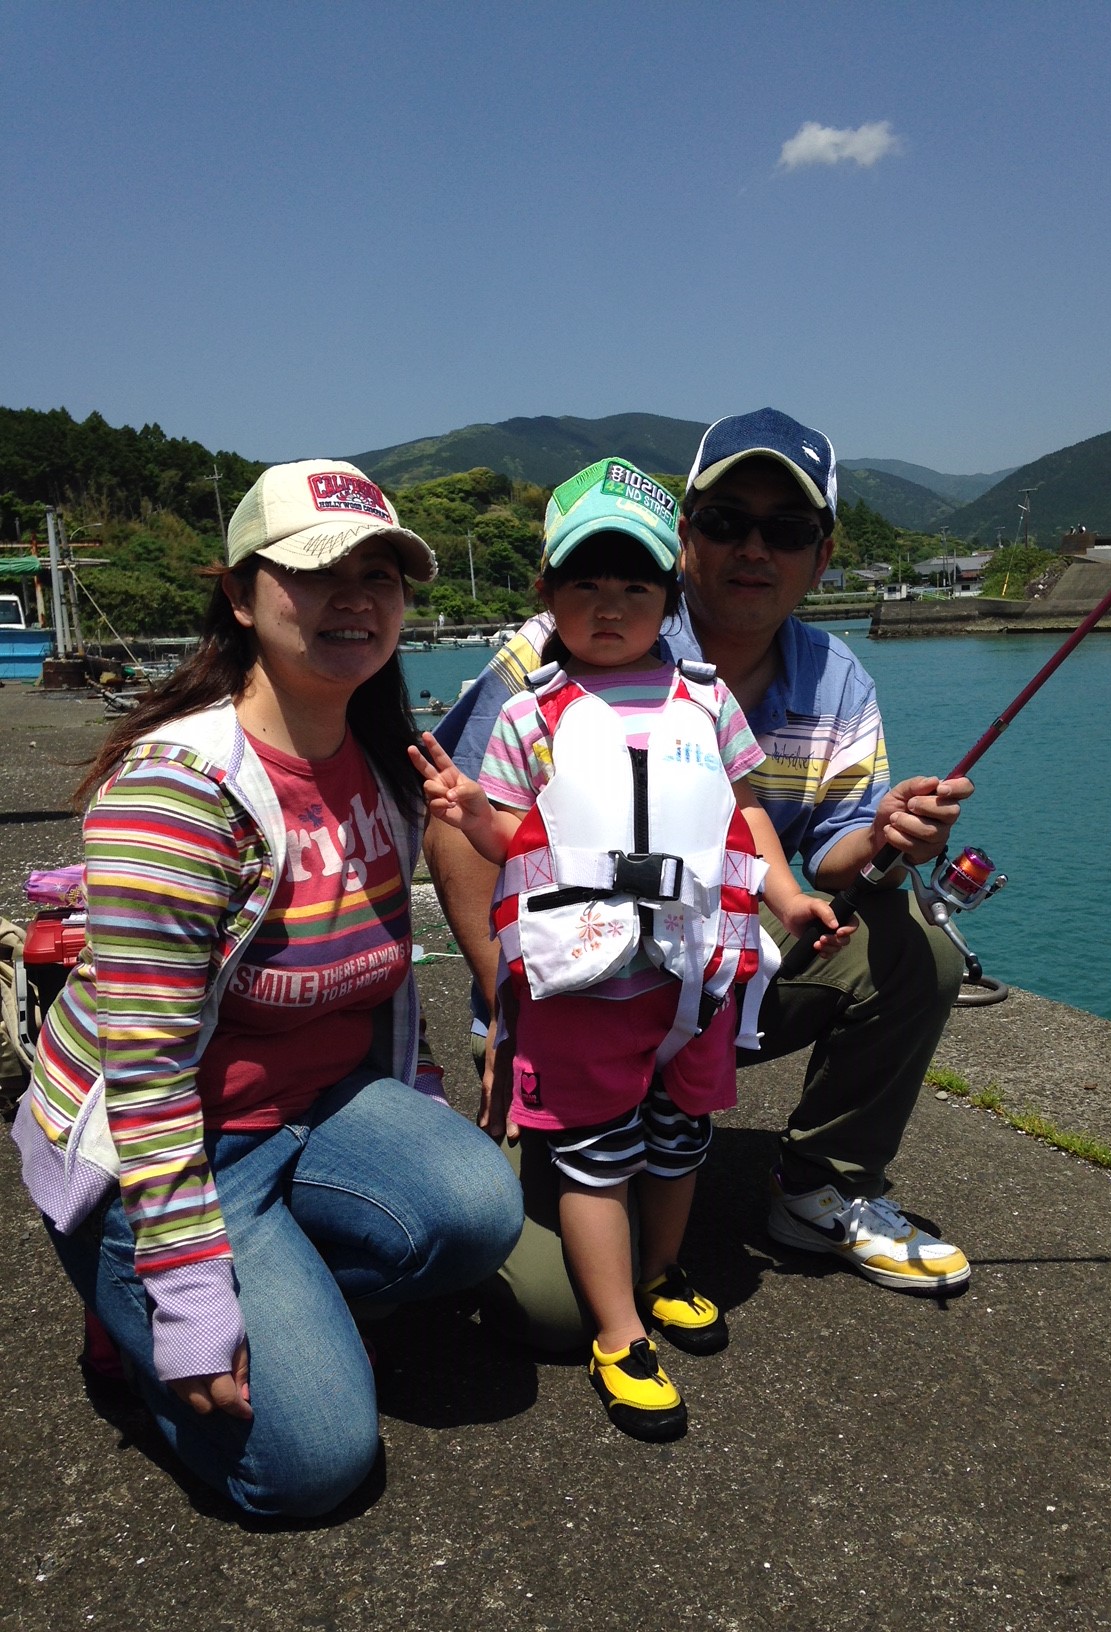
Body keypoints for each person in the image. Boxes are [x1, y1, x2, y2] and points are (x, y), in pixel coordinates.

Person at [11, 459, 524, 1517]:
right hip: (179, 1143)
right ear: (242, 597)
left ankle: (280, 1279)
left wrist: (423, 1120)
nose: (358, 597)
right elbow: (146, 1078)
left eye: (382, 574)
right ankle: (135, 1312)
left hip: (318, 1110)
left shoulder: (384, 765)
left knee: (476, 1207)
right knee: (310, 1465)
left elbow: (383, 983)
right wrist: (193, 1302)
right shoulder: (180, 793)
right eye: (316, 571)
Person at [427, 410, 974, 1351]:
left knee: (916, 948)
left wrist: (888, 833)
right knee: (551, 1309)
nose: (753, 548)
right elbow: (463, 830)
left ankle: (817, 1189)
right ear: (685, 537)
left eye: (787, 530)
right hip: (570, 990)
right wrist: (501, 1003)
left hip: (709, 971)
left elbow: (835, 854)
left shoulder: (836, 678)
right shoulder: (560, 642)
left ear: (824, 554)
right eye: (725, 520)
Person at [410, 457, 852, 1440]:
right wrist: (472, 815)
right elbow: (516, 845)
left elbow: (745, 819)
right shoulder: (533, 716)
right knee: (597, 1162)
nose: (609, 606)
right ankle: (618, 1332)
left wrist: (789, 894)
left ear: (669, 594)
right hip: (583, 991)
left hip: (696, 976)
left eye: (635, 585)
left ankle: (661, 1273)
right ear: (547, 594)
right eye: (584, 584)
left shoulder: (709, 704)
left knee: (679, 1139)